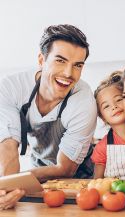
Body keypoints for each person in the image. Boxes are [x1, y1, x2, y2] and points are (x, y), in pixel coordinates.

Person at [0, 24, 97, 209]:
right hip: (36, 174)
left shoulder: (83, 102)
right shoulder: (11, 88)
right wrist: (6, 188)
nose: (69, 74)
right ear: (41, 60)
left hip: (78, 181)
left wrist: (18, 181)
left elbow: (65, 169)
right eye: (60, 61)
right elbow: (7, 146)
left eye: (77, 65)